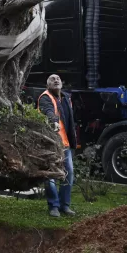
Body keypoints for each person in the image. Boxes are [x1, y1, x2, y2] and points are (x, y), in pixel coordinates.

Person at [38, 74, 77, 217]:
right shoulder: (45, 97)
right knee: (51, 175)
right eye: (52, 79)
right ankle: (53, 206)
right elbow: (48, 111)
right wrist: (53, 120)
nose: (56, 80)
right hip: (50, 143)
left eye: (58, 79)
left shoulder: (66, 98)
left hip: (64, 144)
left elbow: (69, 120)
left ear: (61, 83)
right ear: (47, 85)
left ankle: (64, 205)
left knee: (69, 173)